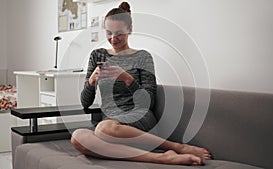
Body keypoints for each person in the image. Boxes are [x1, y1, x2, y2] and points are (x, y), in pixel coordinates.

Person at [71, 2, 211, 165]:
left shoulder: (143, 57)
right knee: (78, 137)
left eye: (119, 33)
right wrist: (91, 81)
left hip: (140, 118)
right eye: (109, 33)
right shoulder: (98, 55)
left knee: (103, 130)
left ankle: (177, 147)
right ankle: (162, 157)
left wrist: (127, 79)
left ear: (130, 30)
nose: (113, 39)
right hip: (110, 122)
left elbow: (148, 102)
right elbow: (85, 103)